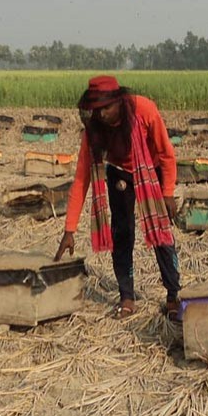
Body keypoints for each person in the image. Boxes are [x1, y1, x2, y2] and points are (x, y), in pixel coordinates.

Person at [54, 75, 181, 320]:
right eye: (96, 110)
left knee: (161, 235)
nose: (101, 115)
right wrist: (69, 229)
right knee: (122, 234)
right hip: (120, 174)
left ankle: (173, 295)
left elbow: (166, 153)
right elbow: (82, 179)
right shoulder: (93, 129)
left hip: (150, 171)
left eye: (106, 108)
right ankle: (127, 296)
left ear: (119, 101)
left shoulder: (144, 110)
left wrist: (167, 192)